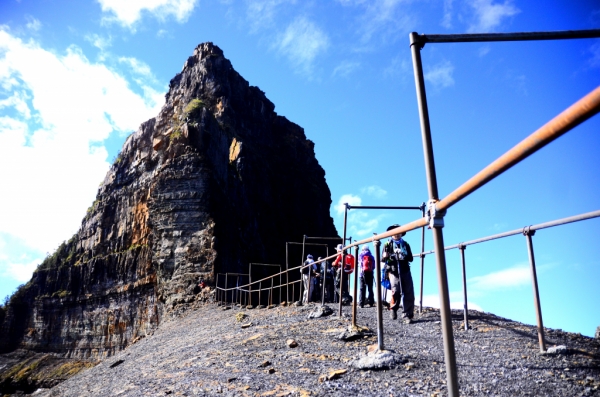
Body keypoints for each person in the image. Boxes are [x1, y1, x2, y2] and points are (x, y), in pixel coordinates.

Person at [382, 224, 415, 323]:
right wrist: (386, 256)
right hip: (393, 270)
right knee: (395, 290)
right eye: (394, 232)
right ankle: (393, 309)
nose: (396, 234)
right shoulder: (387, 244)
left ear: (401, 233)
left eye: (398, 232)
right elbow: (382, 259)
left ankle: (407, 314)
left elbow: (411, 258)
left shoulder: (406, 244)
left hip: (405, 269)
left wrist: (404, 254)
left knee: (408, 292)